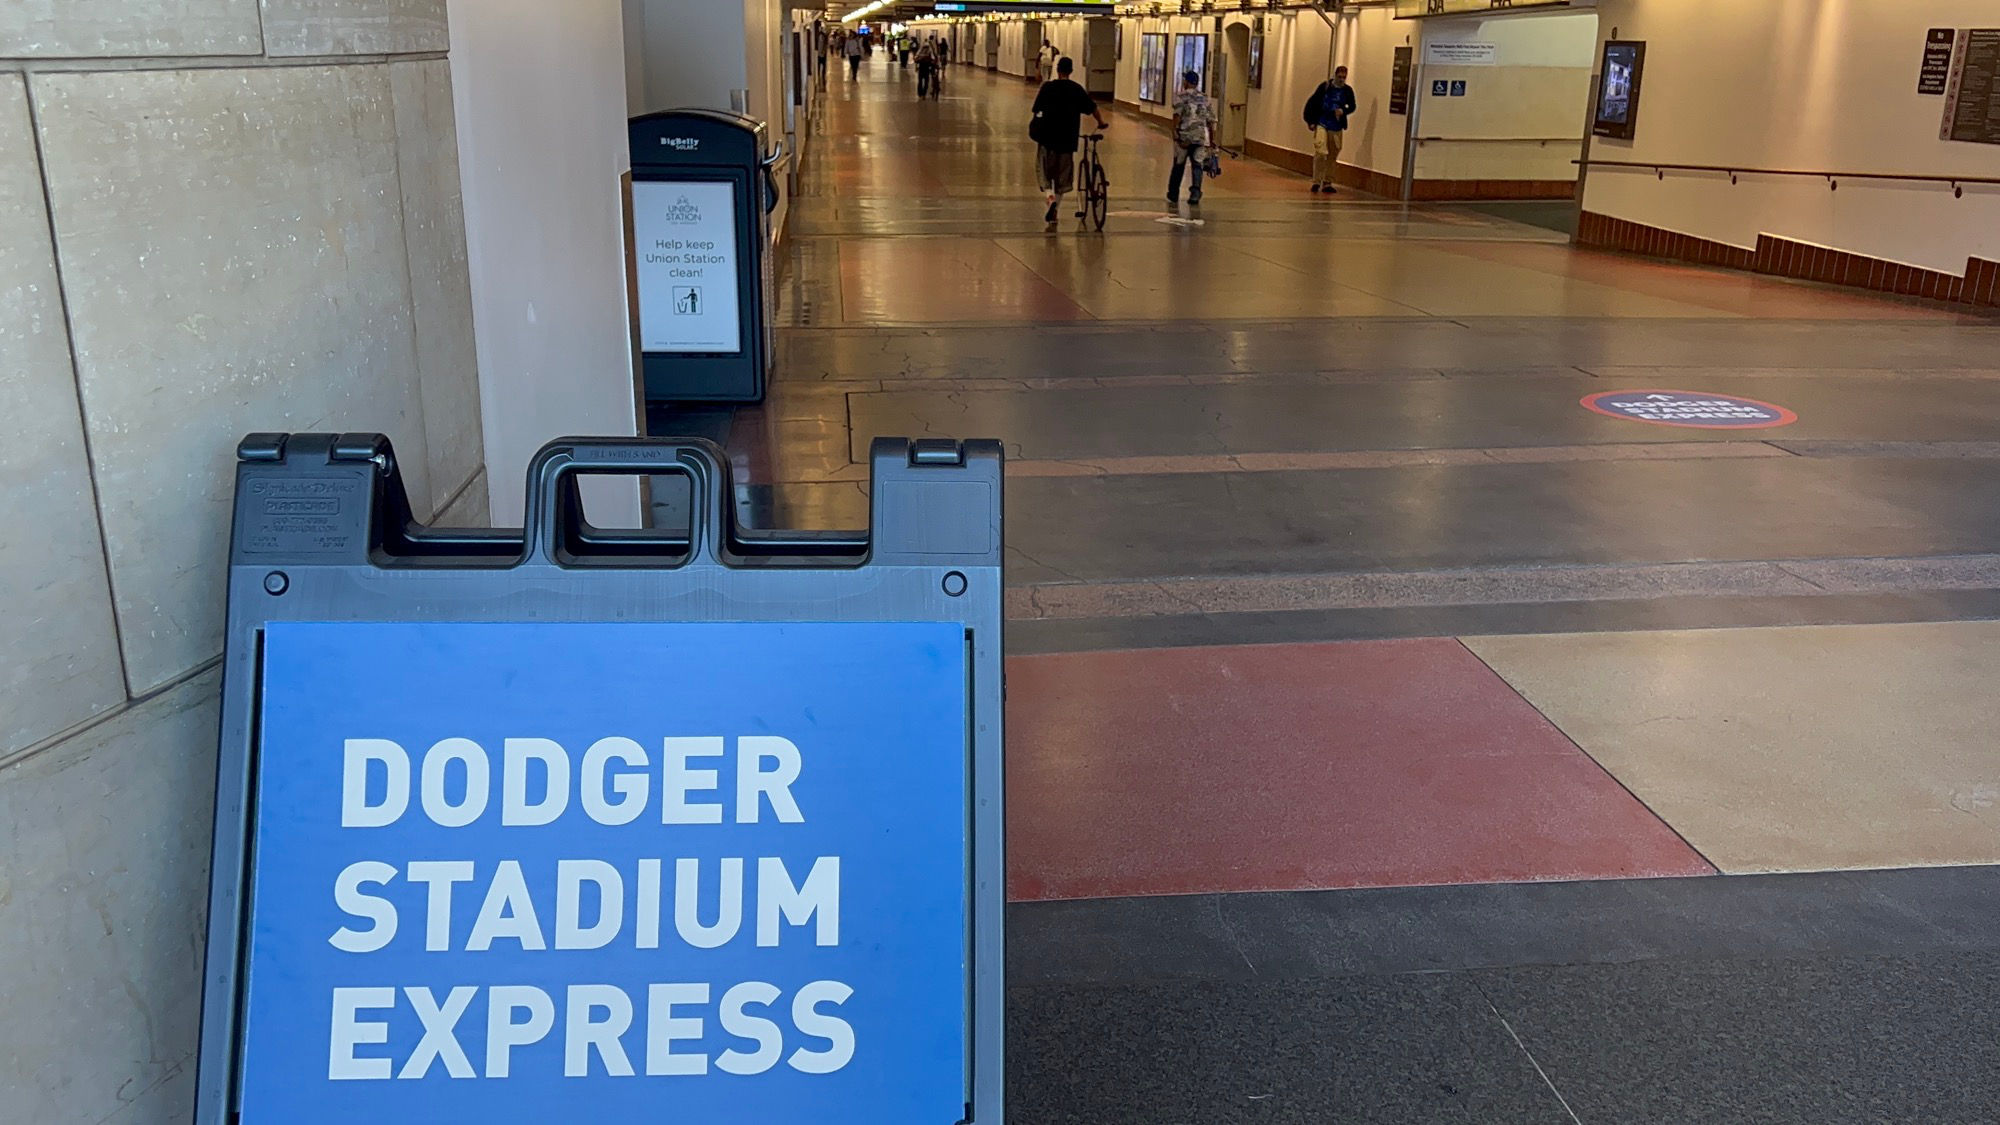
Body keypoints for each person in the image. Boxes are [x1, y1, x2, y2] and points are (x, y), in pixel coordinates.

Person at [1030, 56, 1108, 226]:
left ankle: (1050, 199)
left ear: (1057, 70)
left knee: (1045, 173)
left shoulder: (1047, 88)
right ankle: (1055, 209)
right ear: (1071, 71)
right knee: (1062, 178)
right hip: (1066, 141)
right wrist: (1101, 123)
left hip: (1046, 139)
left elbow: (1036, 110)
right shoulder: (1076, 89)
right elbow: (1093, 108)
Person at [1303, 65, 1357, 193]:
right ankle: (1316, 181)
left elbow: (1353, 106)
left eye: (1344, 77)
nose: (1342, 79)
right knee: (1321, 151)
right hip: (1322, 122)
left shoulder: (1347, 91)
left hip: (1336, 125)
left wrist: (1343, 111)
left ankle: (1328, 181)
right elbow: (1313, 102)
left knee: (1333, 154)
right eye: (1339, 77)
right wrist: (1311, 121)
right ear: (1335, 75)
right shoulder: (1325, 87)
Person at [1167, 69, 1216, 207]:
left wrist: (1175, 134)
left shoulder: (1181, 97)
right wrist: (1212, 141)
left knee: (1178, 165)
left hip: (1184, 138)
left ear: (1186, 82)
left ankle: (1173, 193)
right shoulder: (1205, 99)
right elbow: (1211, 122)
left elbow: (1176, 117)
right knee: (1197, 165)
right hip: (1200, 138)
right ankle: (1195, 193)